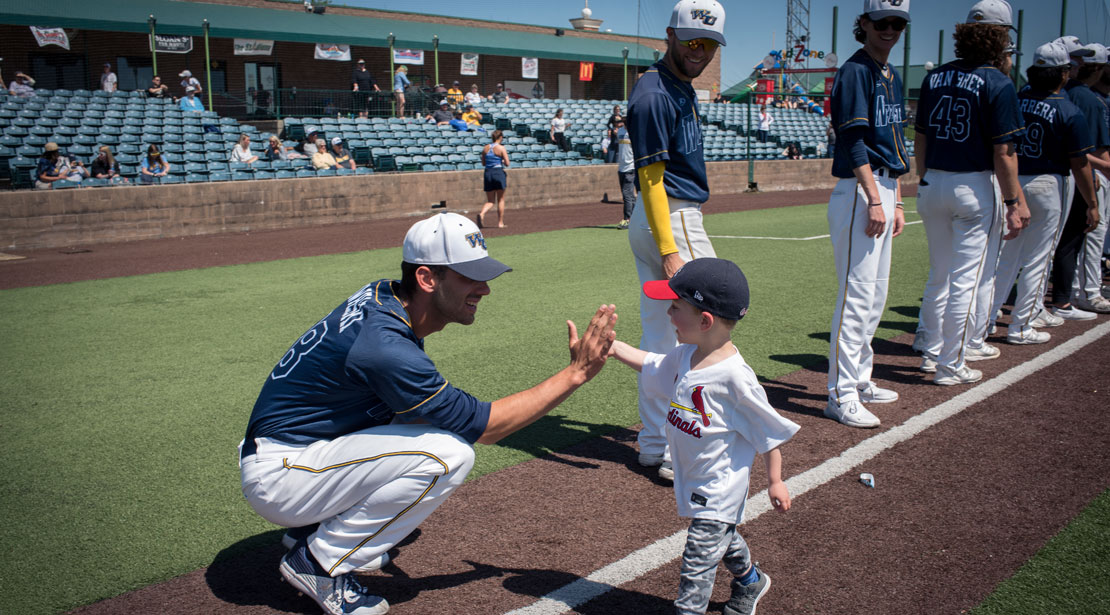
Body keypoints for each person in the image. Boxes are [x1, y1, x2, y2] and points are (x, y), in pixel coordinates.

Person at [239, 212, 616, 615]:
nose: (485, 289)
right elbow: (487, 427)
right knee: (449, 453)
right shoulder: (385, 346)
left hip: (297, 450)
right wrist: (576, 374)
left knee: (413, 421)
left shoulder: (384, 295)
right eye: (469, 277)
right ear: (426, 279)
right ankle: (317, 562)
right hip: (283, 473)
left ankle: (310, 528)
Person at [607, 258, 798, 615]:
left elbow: (769, 433)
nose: (668, 314)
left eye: (676, 307)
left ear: (705, 320)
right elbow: (651, 364)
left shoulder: (736, 381)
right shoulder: (686, 356)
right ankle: (750, 582)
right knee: (724, 542)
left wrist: (775, 481)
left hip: (719, 490)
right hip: (693, 479)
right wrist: (613, 347)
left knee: (696, 565)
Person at [626, 0, 726, 481]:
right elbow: (650, 178)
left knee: (661, 336)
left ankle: (653, 443)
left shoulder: (673, 85)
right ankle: (679, 452)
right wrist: (670, 250)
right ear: (670, 35)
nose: (699, 50)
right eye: (691, 41)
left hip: (656, 219)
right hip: (671, 216)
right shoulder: (654, 92)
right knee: (707, 330)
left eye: (707, 44)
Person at [913, 0, 1030, 385]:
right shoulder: (999, 82)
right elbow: (1004, 153)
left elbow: (921, 139)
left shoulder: (935, 77)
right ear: (1001, 39)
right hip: (974, 185)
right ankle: (950, 364)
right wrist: (1013, 202)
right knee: (966, 279)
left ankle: (930, 353)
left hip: (934, 182)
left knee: (938, 276)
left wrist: (926, 178)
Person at [823, 0, 912, 429]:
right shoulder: (857, 71)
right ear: (864, 24)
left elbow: (895, 141)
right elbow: (853, 139)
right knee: (855, 296)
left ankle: (859, 380)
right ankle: (839, 395)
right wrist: (876, 197)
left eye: (897, 23)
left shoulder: (889, 73)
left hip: (883, 186)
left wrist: (896, 199)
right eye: (882, 22)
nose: (889, 29)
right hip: (862, 188)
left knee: (875, 295)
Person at [988, 41, 1098, 345]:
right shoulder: (1069, 110)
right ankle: (1022, 325)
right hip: (1049, 183)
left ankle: (988, 319)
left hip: (1012, 180)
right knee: (1039, 257)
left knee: (1007, 256)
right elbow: (1080, 163)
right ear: (1063, 74)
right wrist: (1092, 203)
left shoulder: (1017, 99)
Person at [1052, 39, 1110, 316]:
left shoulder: (1065, 94)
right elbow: (1084, 151)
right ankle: (1082, 293)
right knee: (1087, 234)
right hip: (1079, 174)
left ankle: (1072, 292)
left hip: (1062, 174)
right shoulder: (1084, 97)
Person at [478, 130, 509, 229]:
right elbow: (507, 163)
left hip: (488, 173)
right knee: (501, 199)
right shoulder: (501, 148)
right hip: (498, 172)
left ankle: (482, 213)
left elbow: (483, 163)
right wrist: (502, 160)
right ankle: (500, 223)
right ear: (500, 137)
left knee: (490, 200)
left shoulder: (486, 148)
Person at [615, 118, 636, 229]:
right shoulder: (620, 131)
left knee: (626, 194)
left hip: (631, 168)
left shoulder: (635, 132)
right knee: (630, 196)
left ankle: (627, 219)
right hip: (621, 167)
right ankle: (637, 217)